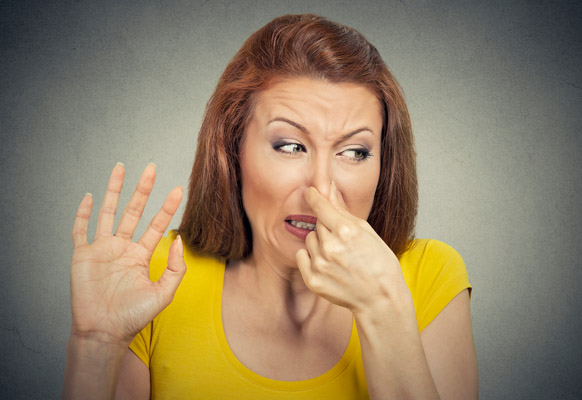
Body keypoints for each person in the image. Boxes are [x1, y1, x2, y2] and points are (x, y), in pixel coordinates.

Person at [62, 14, 477, 399]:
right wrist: (95, 345)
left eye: (354, 152)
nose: (321, 187)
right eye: (290, 146)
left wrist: (383, 310)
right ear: (232, 150)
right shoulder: (157, 275)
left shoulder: (429, 278)